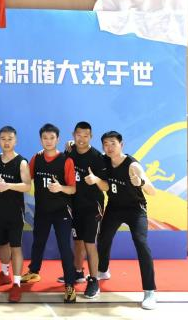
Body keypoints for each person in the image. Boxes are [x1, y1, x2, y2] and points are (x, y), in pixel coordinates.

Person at [97, 130, 157, 310]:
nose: (109, 147)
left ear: (121, 145)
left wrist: (141, 183)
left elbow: (152, 191)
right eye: (106, 144)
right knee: (103, 237)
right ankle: (103, 270)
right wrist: (71, 146)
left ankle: (150, 291)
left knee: (141, 243)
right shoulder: (104, 161)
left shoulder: (133, 165)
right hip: (114, 207)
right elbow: (87, 154)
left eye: (113, 143)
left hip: (135, 209)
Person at [21, 123, 78, 303]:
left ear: (57, 139)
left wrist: (61, 188)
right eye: (45, 138)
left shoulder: (66, 161)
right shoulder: (36, 159)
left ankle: (70, 284)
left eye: (52, 138)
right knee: (38, 242)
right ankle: (34, 271)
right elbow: (26, 180)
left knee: (64, 247)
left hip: (61, 212)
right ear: (41, 140)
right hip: (42, 210)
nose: (48, 141)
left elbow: (73, 189)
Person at [58, 121, 108, 299]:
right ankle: (78, 272)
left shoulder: (97, 157)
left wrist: (96, 180)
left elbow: (106, 186)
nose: (82, 139)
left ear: (91, 137)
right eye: (78, 135)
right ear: (73, 135)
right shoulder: (69, 151)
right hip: (74, 205)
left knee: (89, 244)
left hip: (92, 207)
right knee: (77, 241)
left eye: (86, 135)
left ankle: (94, 281)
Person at [0, 126, 32, 302]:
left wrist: (9, 186)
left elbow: (27, 186)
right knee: (2, 244)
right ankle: (4, 274)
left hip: (15, 212)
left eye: (10, 139)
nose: (6, 142)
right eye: (3, 139)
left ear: (15, 140)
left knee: (15, 247)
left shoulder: (21, 162)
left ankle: (17, 283)